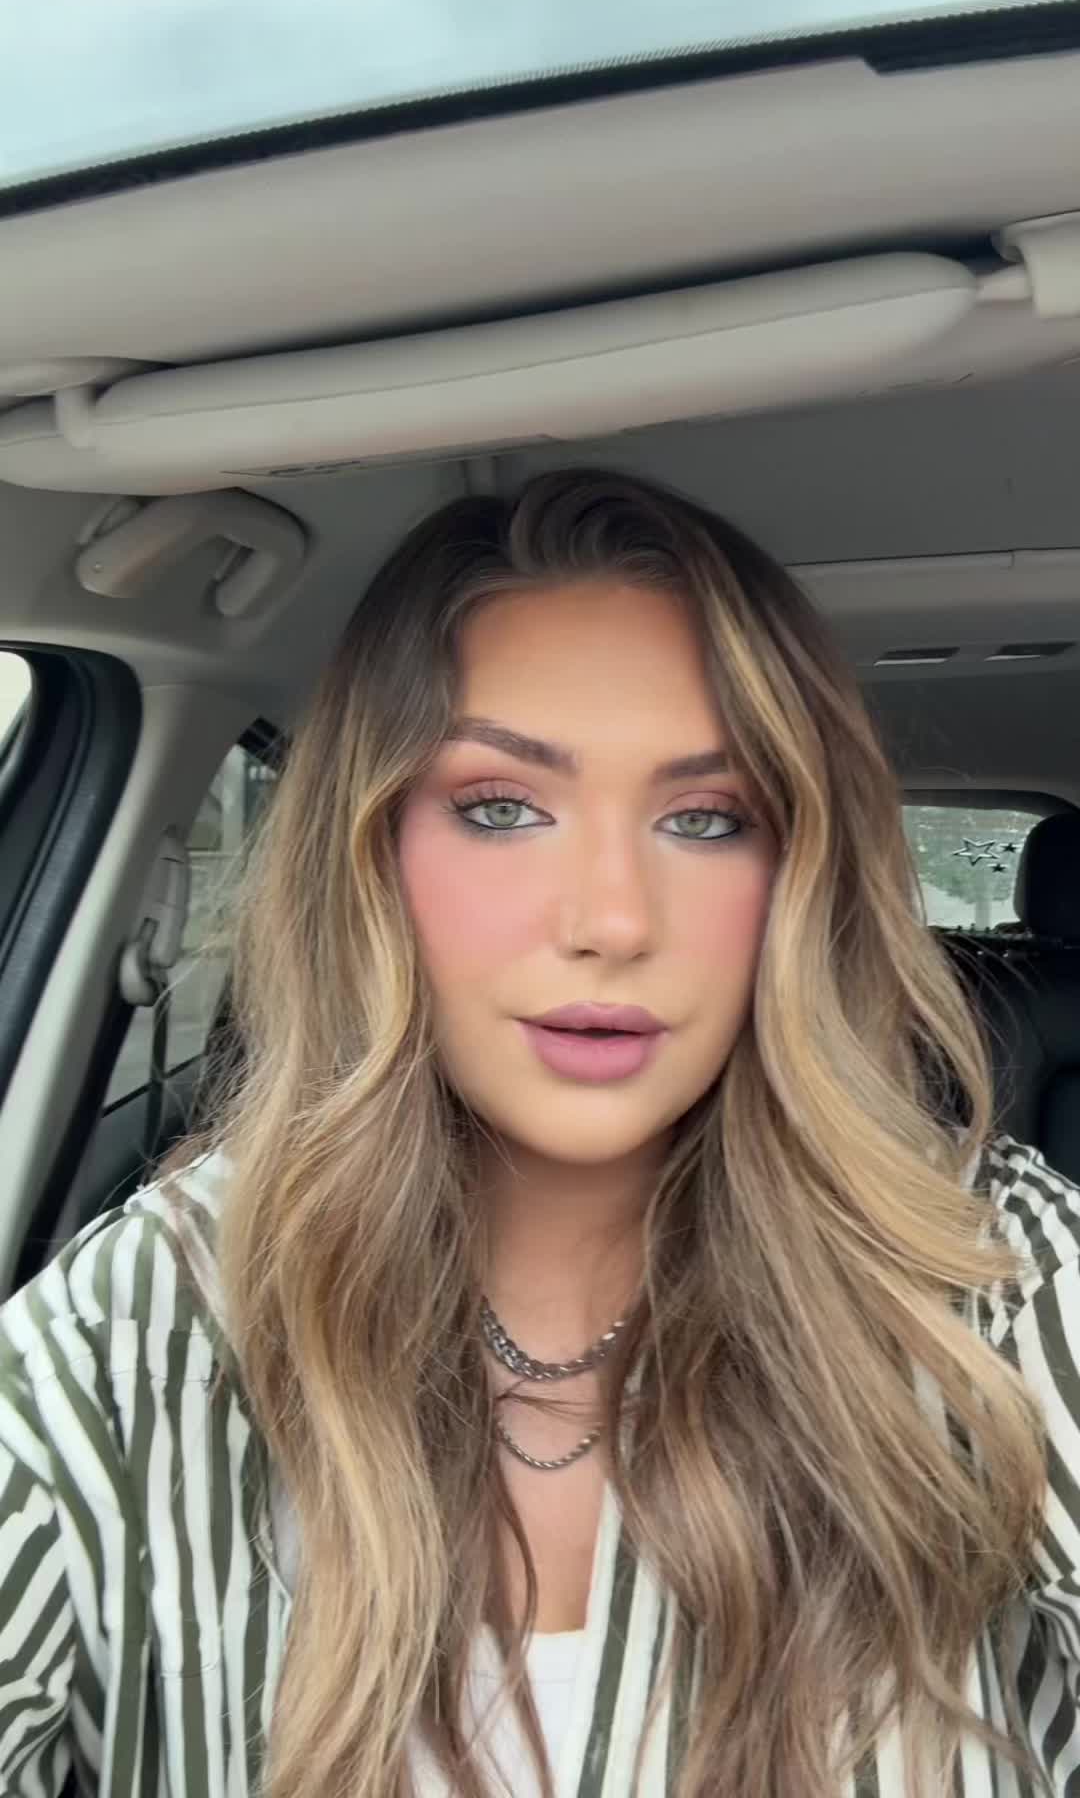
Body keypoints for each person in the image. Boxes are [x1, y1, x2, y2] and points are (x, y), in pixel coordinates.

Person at [0, 469, 1077, 1798]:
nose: (612, 919)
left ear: (798, 878)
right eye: (500, 807)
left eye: (707, 819)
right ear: (371, 852)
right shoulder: (145, 1316)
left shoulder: (992, 1279)